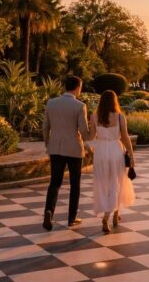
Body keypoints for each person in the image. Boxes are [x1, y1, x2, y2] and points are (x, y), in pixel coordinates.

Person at [42, 76, 90, 230]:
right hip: (74, 149)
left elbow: (45, 127)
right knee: (75, 184)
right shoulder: (80, 106)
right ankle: (72, 217)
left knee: (55, 182)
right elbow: (83, 131)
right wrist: (91, 133)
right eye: (81, 87)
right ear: (77, 87)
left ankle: (49, 211)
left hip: (56, 148)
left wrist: (48, 144)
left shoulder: (51, 103)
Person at [88, 90, 135, 233]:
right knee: (117, 182)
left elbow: (91, 137)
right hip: (115, 150)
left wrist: (91, 151)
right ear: (115, 101)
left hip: (101, 151)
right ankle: (108, 216)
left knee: (104, 183)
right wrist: (131, 154)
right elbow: (125, 137)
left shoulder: (95, 116)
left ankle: (115, 214)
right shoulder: (120, 117)